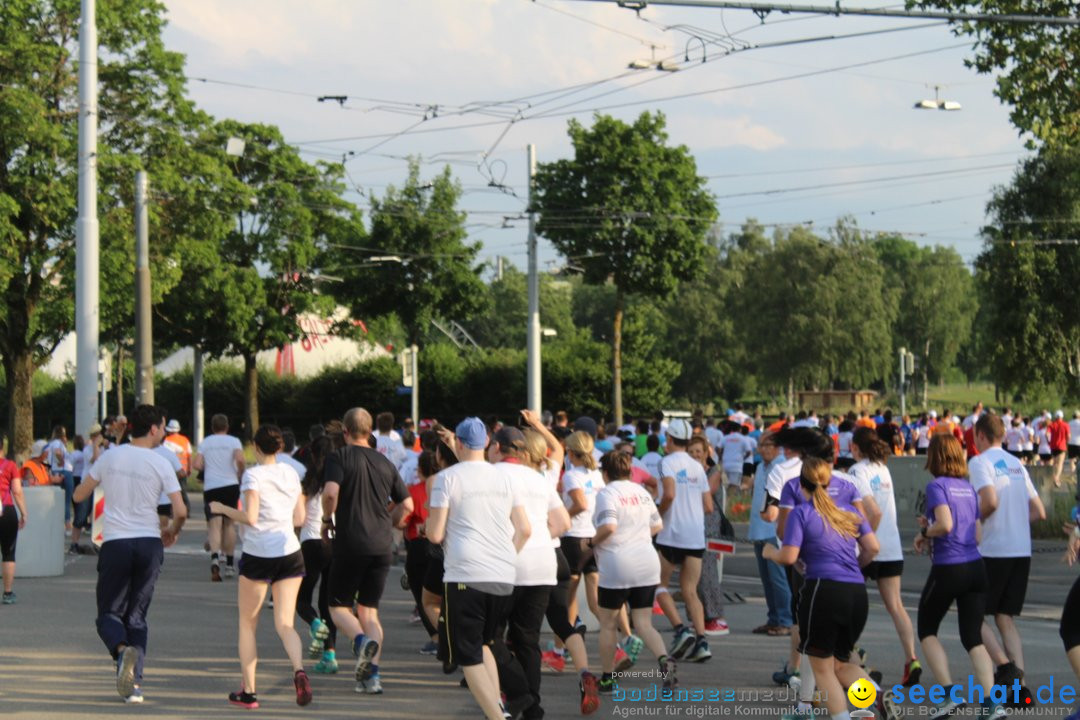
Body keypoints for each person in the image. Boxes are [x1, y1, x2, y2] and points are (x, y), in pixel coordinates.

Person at [72, 404, 186, 704]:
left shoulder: (110, 457)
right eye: (162, 427)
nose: (163, 432)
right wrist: (173, 529)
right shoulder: (161, 462)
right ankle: (134, 687)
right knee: (137, 616)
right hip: (149, 542)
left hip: (116, 542)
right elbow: (182, 509)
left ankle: (122, 652)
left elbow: (78, 494)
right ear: (153, 429)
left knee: (109, 613)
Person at [426, 417, 532, 720]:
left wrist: (431, 527)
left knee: (468, 655)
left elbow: (435, 534)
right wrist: (503, 558)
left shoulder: (448, 478)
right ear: (487, 442)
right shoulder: (506, 478)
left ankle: (498, 717)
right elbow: (524, 529)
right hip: (503, 575)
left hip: (465, 574)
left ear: (458, 443)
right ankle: (496, 709)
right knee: (485, 644)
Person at [763, 457, 881, 720]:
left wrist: (771, 552)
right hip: (857, 593)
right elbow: (873, 547)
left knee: (822, 668)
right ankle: (877, 696)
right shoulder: (849, 512)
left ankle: (839, 716)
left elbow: (789, 557)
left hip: (823, 591)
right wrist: (854, 567)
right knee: (839, 665)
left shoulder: (802, 513)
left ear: (802, 486)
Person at [209, 424, 312, 710]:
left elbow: (251, 517)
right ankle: (299, 671)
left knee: (247, 623)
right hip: (289, 550)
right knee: (285, 623)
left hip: (258, 553)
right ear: (279, 448)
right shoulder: (292, 473)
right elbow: (300, 516)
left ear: (255, 447)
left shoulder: (253, 475)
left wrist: (222, 509)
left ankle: (250, 692)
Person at [907, 434, 1003, 719]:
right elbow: (975, 533)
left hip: (950, 568)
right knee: (973, 636)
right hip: (976, 566)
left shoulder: (936, 485)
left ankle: (949, 695)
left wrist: (925, 532)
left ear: (934, 457)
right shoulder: (968, 488)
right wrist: (934, 528)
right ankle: (991, 704)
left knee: (926, 629)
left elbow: (946, 525)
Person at [321, 407, 412, 695]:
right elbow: (407, 505)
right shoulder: (385, 462)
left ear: (345, 432)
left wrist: (327, 519)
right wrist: (391, 521)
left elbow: (330, 493)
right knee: (370, 612)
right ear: (370, 431)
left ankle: (360, 643)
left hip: (352, 542)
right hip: (382, 545)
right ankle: (371, 677)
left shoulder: (339, 457)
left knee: (337, 608)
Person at [490, 422, 571, 720]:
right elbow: (563, 523)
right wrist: (539, 536)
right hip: (542, 565)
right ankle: (531, 707)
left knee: (490, 638)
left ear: (497, 447)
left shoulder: (491, 475)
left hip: (504, 565)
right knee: (527, 640)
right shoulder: (538, 479)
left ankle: (518, 694)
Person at [968, 413, 1045, 689]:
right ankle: (1020, 687)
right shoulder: (1017, 465)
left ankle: (1005, 668)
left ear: (980, 435)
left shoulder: (979, 462)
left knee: (974, 615)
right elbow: (1039, 511)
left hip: (993, 549)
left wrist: (973, 520)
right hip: (1020, 549)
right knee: (1004, 617)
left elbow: (989, 501)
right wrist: (1014, 521)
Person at [592, 450, 675, 697]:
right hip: (647, 562)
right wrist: (637, 538)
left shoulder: (607, 493)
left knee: (608, 623)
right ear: (629, 471)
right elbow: (657, 525)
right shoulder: (642, 492)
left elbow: (608, 526)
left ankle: (607, 678)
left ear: (605, 473)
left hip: (617, 563)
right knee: (644, 623)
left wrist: (590, 544)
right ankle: (665, 661)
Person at [849, 427, 920, 687]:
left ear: (855, 447)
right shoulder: (882, 467)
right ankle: (911, 658)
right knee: (896, 606)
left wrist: (868, 540)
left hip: (870, 548)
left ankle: (854, 656)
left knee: (848, 605)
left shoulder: (858, 470)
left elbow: (874, 512)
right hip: (892, 547)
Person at [655, 419, 714, 663]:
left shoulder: (665, 462)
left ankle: (681, 630)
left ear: (669, 440)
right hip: (695, 536)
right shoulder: (698, 466)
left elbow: (668, 493)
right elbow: (709, 506)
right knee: (690, 590)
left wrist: (658, 513)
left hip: (671, 533)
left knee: (658, 585)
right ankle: (702, 641)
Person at [297, 433, 339, 674]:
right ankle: (329, 656)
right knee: (327, 603)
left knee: (302, 599)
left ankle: (313, 624)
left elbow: (299, 517)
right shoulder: (337, 481)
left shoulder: (308, 481)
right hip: (334, 542)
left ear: (312, 454)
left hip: (311, 542)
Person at [560, 431, 605, 648]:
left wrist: (561, 517)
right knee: (596, 599)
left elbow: (580, 505)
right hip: (594, 537)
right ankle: (619, 640)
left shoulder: (570, 475)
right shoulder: (597, 475)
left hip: (574, 538)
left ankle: (562, 649)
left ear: (570, 452)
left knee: (567, 599)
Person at [747, 433, 792, 637]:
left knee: (778, 578)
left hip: (774, 531)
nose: (764, 449)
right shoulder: (760, 467)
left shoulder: (783, 467)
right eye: (761, 445)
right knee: (766, 579)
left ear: (778, 447)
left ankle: (785, 620)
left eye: (768, 445)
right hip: (759, 529)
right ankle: (773, 618)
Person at [192, 414, 245, 581]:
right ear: (227, 426)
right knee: (229, 525)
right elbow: (240, 459)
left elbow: (196, 464)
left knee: (214, 525)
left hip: (211, 487)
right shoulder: (234, 441)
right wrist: (239, 473)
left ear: (212, 427)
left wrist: (207, 466)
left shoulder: (206, 442)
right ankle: (229, 564)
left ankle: (215, 557)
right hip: (230, 485)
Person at [688, 435, 728, 639]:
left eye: (698, 451)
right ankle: (699, 616)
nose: (695, 455)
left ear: (706, 453)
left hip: (710, 527)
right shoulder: (688, 473)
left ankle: (716, 616)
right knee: (693, 576)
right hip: (693, 526)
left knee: (708, 573)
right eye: (691, 452)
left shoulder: (713, 472)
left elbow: (708, 492)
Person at [0, 432, 26, 604]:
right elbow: (16, 491)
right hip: (6, 510)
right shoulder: (10, 465)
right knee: (8, 553)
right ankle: (8, 593)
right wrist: (24, 512)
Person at [46, 425, 75, 532]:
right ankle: (68, 525)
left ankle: (56, 524)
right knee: (66, 500)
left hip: (54, 471)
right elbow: (58, 452)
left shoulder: (50, 444)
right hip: (64, 471)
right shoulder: (58, 443)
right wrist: (61, 460)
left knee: (56, 501)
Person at [1049, 410, 1071, 487]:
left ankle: (1053, 476)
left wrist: (1049, 442)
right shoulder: (1065, 425)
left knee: (1054, 463)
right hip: (1062, 446)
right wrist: (1066, 442)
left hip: (1053, 446)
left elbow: (1047, 434)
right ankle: (1057, 478)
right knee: (1060, 463)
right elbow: (1068, 436)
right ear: (1062, 417)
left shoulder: (1052, 424)